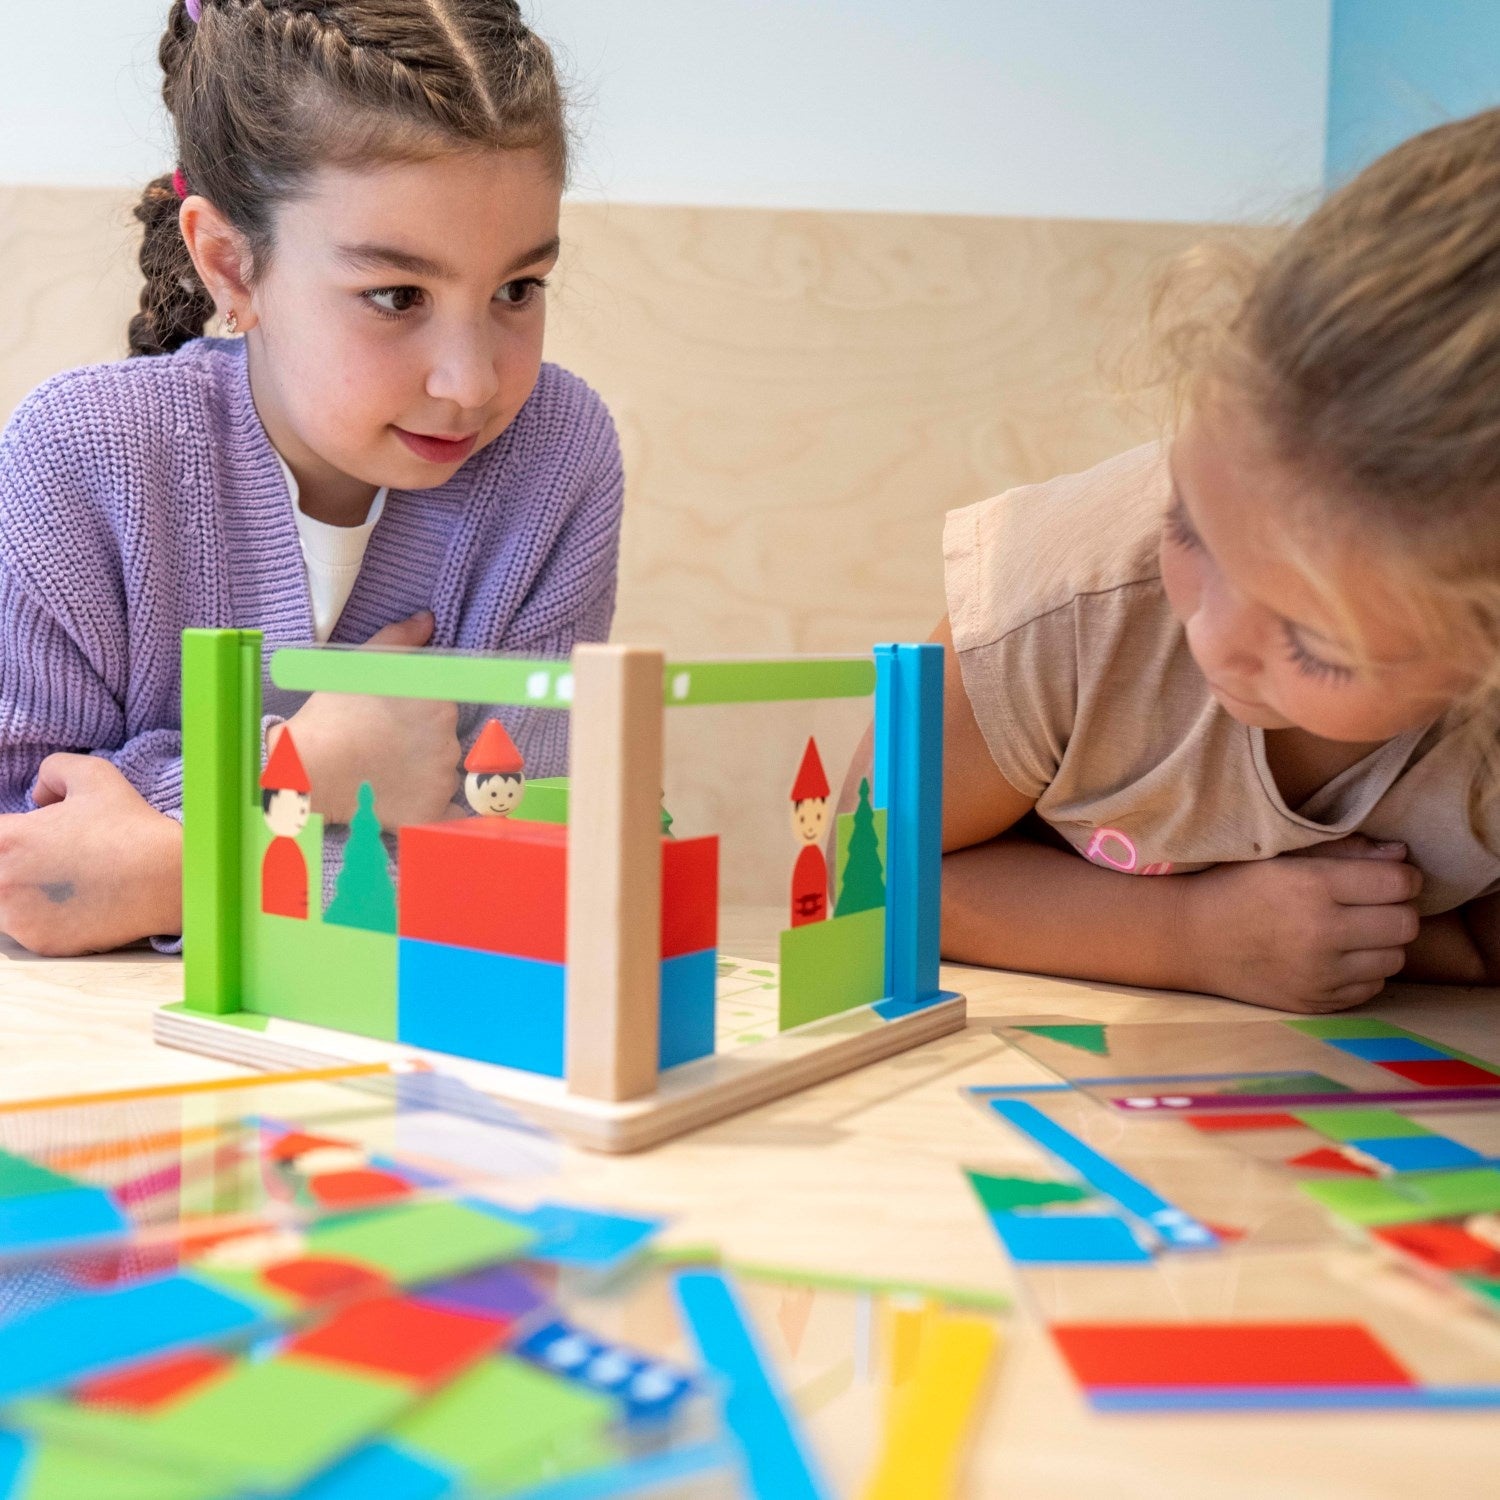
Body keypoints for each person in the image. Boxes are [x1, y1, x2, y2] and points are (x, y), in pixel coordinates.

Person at [0, 0, 621, 955]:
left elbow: (523, 859)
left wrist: (161, 870)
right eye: (395, 295)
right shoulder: (80, 451)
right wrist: (315, 767)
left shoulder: (557, 455)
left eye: (516, 290)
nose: (472, 382)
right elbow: (29, 862)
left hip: (412, 1056)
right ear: (230, 266)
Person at [934, 109, 1500, 1014]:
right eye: (1191, 527)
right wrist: (1187, 937)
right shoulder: (1061, 597)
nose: (1214, 636)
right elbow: (864, 876)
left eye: (1315, 642)